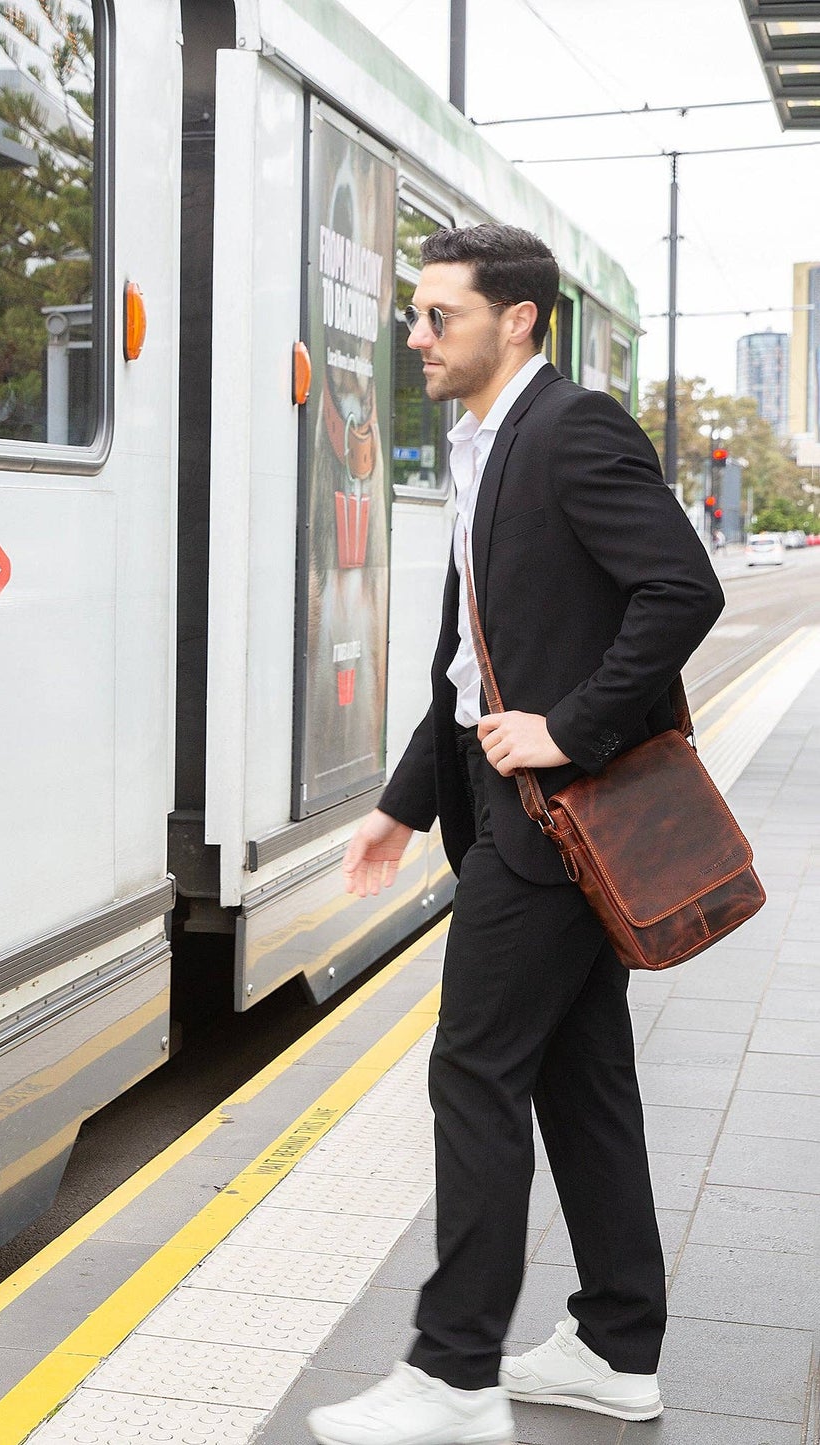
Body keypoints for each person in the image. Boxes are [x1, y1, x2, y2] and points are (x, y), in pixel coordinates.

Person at [307, 225, 724, 1445]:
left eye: (439, 315)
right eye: (413, 316)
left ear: (518, 320)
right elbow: (468, 655)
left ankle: (450, 1376)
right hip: (508, 808)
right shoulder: (483, 442)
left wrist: (570, 730)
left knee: (472, 1070)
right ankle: (612, 1345)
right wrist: (400, 797)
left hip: (549, 820)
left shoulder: (569, 430)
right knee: (577, 1076)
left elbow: (679, 586)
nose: (416, 336)